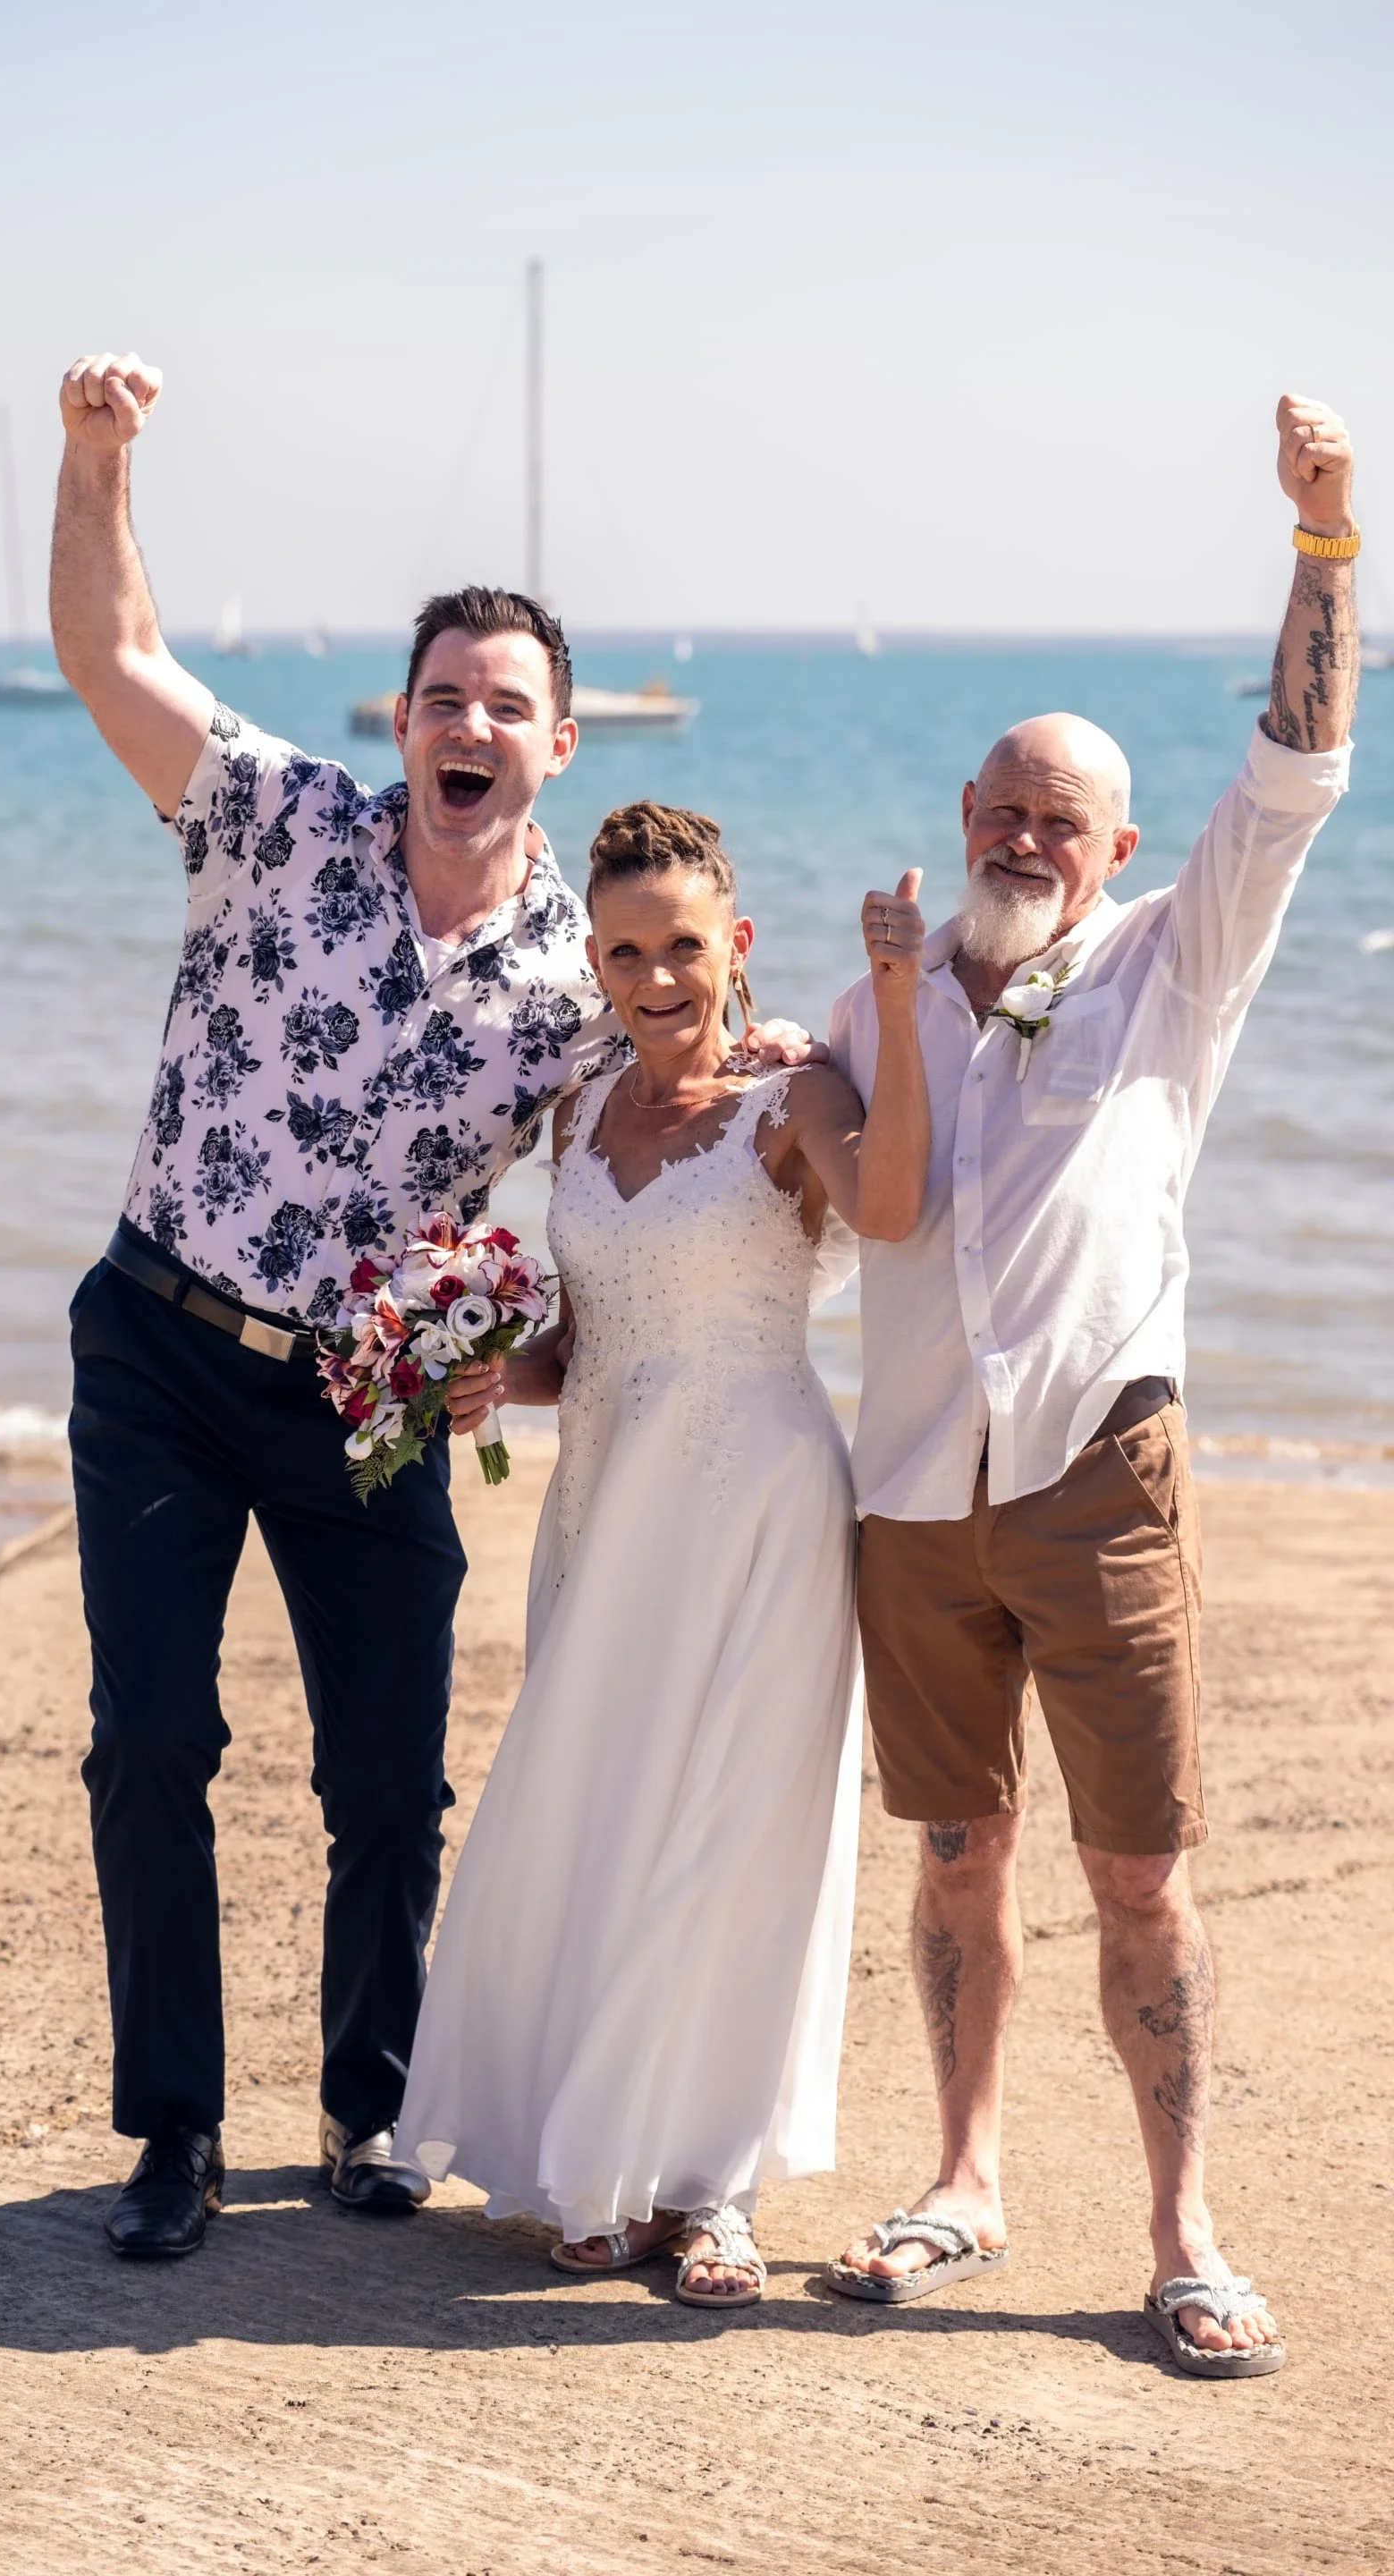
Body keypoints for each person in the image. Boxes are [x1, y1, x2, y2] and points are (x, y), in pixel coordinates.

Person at [48, 352, 817, 2258]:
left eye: (509, 704)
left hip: (372, 1399)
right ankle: (175, 2138)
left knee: (389, 1779)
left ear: (558, 742)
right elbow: (108, 654)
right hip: (157, 1340)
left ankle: (369, 2112)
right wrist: (97, 463)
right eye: (444, 695)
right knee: (152, 1739)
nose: (469, 724)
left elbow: (674, 1081)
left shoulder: (585, 968)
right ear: (402, 719)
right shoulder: (272, 819)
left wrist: (781, 1049)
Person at [823, 396, 1359, 2378]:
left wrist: (1324, 542)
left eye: (1064, 816)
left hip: (1097, 1474)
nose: (1027, 835)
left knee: (1140, 1870)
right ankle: (962, 2181)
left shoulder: (1169, 964)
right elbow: (761, 1155)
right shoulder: (875, 1004)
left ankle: (1182, 2230)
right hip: (906, 1492)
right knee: (958, 1857)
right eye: (1004, 803)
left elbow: (1299, 770)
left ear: (1116, 848)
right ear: (961, 811)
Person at [392, 802, 930, 2303]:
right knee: (603, 1810)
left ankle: (715, 2193)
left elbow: (890, 1207)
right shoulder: (580, 1115)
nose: (655, 978)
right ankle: (599, 2154)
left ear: (735, 946)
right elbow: (591, 1335)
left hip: (756, 1506)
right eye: (624, 951)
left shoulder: (790, 1103)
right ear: (595, 956)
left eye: (684, 946)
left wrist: (888, 994)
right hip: (602, 1504)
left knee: (732, 1840)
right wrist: (502, 1373)